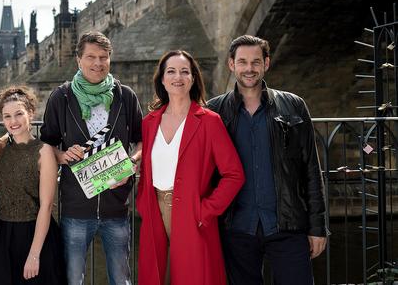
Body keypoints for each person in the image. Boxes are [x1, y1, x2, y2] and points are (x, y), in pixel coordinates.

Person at [206, 35, 328, 285]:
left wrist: (318, 228)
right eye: (242, 62)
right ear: (231, 64)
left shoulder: (294, 105)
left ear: (266, 63)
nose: (249, 69)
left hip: (287, 225)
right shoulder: (214, 111)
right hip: (235, 228)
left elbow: (311, 170)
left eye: (255, 62)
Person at [40, 31, 142, 285]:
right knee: (73, 278)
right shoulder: (61, 97)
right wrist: (62, 155)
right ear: (78, 60)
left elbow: (141, 141)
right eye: (91, 57)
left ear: (110, 59)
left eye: (103, 57)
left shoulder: (125, 96)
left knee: (121, 279)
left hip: (116, 206)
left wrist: (131, 163)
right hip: (76, 207)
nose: (98, 63)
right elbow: (46, 144)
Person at [136, 50, 245, 285]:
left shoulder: (209, 121)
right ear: (162, 79)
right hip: (154, 211)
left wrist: (206, 210)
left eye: (185, 71)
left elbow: (234, 174)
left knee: (193, 277)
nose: (178, 77)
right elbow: (144, 167)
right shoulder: (149, 123)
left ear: (193, 78)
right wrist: (142, 203)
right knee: (155, 277)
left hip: (192, 212)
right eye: (171, 71)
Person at [0, 86, 66, 284]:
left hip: (35, 235)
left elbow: (47, 206)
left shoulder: (44, 152)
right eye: (7, 116)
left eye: (19, 114)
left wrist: (34, 255)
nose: (13, 121)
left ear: (31, 113)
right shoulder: (0, 149)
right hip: (5, 234)